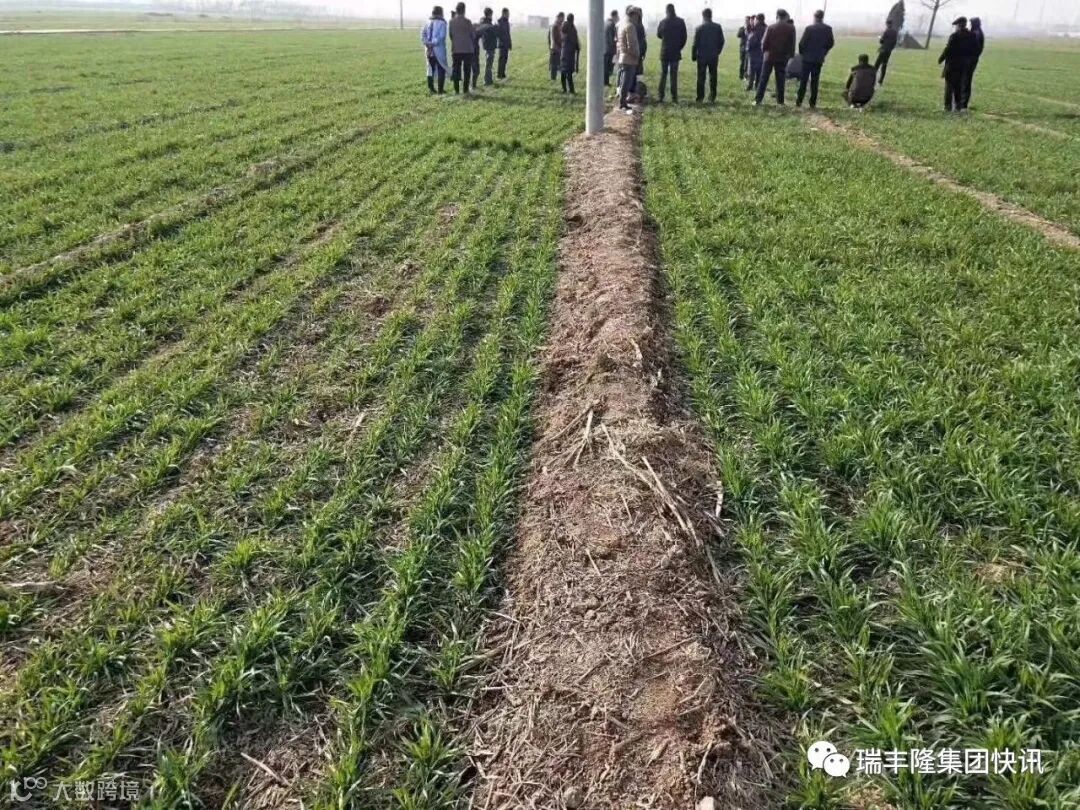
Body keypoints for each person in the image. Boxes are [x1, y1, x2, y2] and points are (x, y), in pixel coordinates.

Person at [755, 8, 795, 106]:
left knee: (763, 79)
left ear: (777, 16)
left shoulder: (771, 27)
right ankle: (780, 101)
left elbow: (764, 43)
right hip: (782, 57)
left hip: (769, 56)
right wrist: (790, 55)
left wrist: (764, 52)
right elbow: (792, 44)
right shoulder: (791, 28)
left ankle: (758, 100)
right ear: (785, 17)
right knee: (780, 80)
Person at [796, 9, 834, 108]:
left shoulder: (809, 28)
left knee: (803, 81)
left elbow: (801, 43)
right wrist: (824, 51)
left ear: (814, 17)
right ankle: (812, 102)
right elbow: (831, 43)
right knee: (815, 81)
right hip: (818, 59)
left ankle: (799, 101)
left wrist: (802, 53)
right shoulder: (828, 29)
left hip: (807, 59)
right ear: (822, 17)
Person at [939, 16, 976, 112]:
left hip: (952, 65)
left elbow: (948, 49)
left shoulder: (954, 36)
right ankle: (958, 106)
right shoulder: (972, 36)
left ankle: (947, 107)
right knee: (959, 86)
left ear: (959, 25)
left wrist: (941, 58)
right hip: (963, 65)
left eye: (956, 25)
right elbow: (973, 50)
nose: (956, 27)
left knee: (949, 87)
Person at [691, 8, 724, 103]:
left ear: (703, 16)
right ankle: (712, 96)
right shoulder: (717, 27)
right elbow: (722, 41)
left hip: (702, 56)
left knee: (701, 77)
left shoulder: (699, 28)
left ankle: (700, 97)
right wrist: (718, 51)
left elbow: (695, 43)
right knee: (713, 77)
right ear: (711, 15)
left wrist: (693, 55)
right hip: (713, 55)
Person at [656, 4, 687, 103]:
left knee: (663, 74)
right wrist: (679, 47)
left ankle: (661, 96)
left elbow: (658, 34)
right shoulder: (680, 22)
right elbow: (684, 37)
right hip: (675, 52)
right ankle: (674, 97)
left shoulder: (663, 22)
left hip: (665, 52)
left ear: (666, 11)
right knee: (674, 76)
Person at [616, 6, 641, 112]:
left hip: (623, 57)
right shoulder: (630, 26)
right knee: (626, 83)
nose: (638, 19)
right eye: (638, 16)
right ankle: (622, 103)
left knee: (624, 82)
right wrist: (637, 55)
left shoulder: (622, 25)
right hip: (629, 59)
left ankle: (622, 102)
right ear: (634, 15)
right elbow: (632, 45)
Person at [422, 6, 450, 94]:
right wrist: (433, 43)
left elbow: (423, 34)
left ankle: (431, 89)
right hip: (438, 49)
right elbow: (441, 36)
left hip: (429, 50)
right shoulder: (442, 23)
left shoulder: (427, 22)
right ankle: (440, 90)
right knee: (441, 68)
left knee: (430, 68)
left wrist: (427, 43)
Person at [448, 2, 475, 94]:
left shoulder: (451, 22)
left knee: (456, 69)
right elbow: (473, 35)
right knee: (467, 70)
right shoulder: (468, 22)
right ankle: (465, 90)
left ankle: (456, 90)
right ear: (464, 10)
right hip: (467, 49)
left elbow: (451, 35)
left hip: (456, 49)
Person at [963, 17, 985, 108]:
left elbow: (972, 46)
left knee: (966, 80)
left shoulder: (976, 33)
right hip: (972, 59)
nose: (970, 25)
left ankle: (964, 103)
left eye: (971, 23)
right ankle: (964, 102)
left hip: (970, 60)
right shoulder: (978, 32)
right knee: (966, 80)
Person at [476, 9, 499, 85]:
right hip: (490, 44)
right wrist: (496, 27)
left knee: (489, 62)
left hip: (487, 44)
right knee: (489, 62)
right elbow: (493, 32)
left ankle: (488, 79)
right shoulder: (487, 23)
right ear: (489, 14)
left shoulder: (483, 21)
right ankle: (487, 80)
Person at [560, 13, 581, 93]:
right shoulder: (569, 27)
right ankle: (570, 90)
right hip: (568, 53)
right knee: (567, 72)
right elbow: (573, 39)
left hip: (566, 52)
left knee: (564, 71)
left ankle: (565, 89)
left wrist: (577, 46)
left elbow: (574, 39)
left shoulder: (568, 27)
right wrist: (577, 47)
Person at [745, 12, 766, 91]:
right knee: (759, 71)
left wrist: (748, 49)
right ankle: (757, 85)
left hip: (754, 52)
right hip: (762, 53)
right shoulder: (766, 28)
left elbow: (751, 40)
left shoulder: (756, 28)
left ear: (757, 19)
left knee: (752, 70)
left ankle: (750, 85)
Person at [875, 18, 898, 85]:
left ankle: (872, 77)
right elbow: (895, 42)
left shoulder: (886, 31)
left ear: (887, 24)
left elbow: (881, 41)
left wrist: (880, 38)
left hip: (883, 49)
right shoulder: (895, 32)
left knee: (877, 64)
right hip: (889, 51)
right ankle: (881, 80)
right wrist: (891, 48)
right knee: (884, 65)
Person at [604, 9, 620, 86]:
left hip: (604, 48)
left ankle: (605, 81)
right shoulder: (612, 25)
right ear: (615, 16)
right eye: (617, 16)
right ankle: (606, 82)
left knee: (605, 66)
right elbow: (612, 38)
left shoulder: (605, 23)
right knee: (608, 67)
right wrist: (615, 47)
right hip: (609, 49)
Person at [496, 8, 512, 79]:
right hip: (502, 44)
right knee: (501, 59)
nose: (509, 15)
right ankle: (499, 74)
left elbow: (508, 34)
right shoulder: (500, 22)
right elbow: (499, 34)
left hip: (506, 44)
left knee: (505, 59)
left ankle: (503, 73)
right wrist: (502, 42)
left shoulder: (507, 22)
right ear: (504, 14)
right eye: (507, 14)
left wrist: (510, 43)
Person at [549, 13, 565, 81]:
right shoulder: (555, 26)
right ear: (559, 17)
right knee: (554, 64)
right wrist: (561, 44)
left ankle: (558, 77)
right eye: (562, 18)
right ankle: (553, 78)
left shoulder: (560, 25)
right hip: (556, 48)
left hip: (558, 47)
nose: (563, 19)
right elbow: (555, 38)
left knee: (558, 63)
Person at [634, 10, 648, 88]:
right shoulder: (639, 26)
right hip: (637, 51)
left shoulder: (635, 25)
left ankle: (636, 88)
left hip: (637, 51)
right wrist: (643, 51)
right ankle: (637, 88)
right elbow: (643, 40)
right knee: (638, 71)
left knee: (635, 71)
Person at [737, 16, 750, 81]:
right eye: (745, 20)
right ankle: (741, 76)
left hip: (748, 48)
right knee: (742, 62)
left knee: (747, 63)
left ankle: (746, 76)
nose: (746, 21)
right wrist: (744, 29)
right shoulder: (742, 28)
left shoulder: (751, 28)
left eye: (747, 20)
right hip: (742, 48)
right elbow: (738, 35)